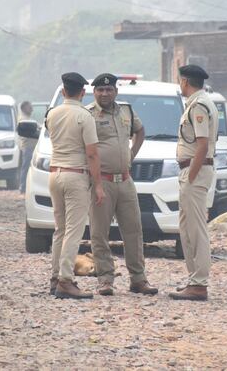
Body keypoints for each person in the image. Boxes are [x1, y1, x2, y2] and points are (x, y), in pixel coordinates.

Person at [87, 73, 158, 297]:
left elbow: (140, 131)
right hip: (102, 182)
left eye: (109, 90)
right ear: (94, 92)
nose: (105, 93)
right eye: (100, 90)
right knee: (99, 233)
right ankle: (105, 280)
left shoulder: (125, 110)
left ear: (116, 92)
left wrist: (130, 155)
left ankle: (138, 279)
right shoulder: (88, 115)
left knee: (134, 231)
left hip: (125, 180)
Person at [47, 72, 105, 299]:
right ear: (83, 92)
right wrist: (98, 184)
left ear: (63, 92)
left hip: (54, 174)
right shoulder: (84, 116)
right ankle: (66, 280)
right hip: (75, 175)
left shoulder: (52, 114)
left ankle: (55, 277)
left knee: (60, 229)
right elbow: (92, 154)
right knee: (74, 229)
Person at [169, 64, 218, 301]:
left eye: (180, 81)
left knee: (196, 228)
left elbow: (202, 144)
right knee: (187, 227)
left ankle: (199, 283)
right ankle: (194, 281)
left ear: (186, 81)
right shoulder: (199, 102)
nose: (180, 85)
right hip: (194, 170)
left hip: (195, 172)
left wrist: (190, 175)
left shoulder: (198, 105)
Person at [18, 101, 38, 194]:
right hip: (28, 147)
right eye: (30, 107)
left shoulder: (28, 119)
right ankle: (23, 187)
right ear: (24, 108)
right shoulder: (23, 120)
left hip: (32, 147)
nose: (32, 109)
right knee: (26, 167)